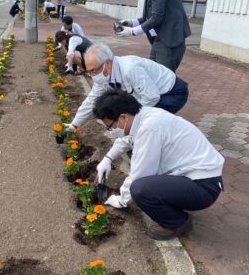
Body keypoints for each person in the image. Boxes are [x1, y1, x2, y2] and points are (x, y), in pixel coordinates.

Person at [93, 90, 224, 240]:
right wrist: (107, 159)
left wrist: (121, 200)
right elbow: (126, 139)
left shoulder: (149, 128)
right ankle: (174, 205)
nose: (111, 131)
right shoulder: (143, 115)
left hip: (204, 187)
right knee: (145, 185)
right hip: (195, 177)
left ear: (123, 117)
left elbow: (140, 174)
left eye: (110, 127)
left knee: (140, 189)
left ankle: (177, 223)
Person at [63, 44, 188, 132]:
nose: (92, 76)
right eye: (89, 72)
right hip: (151, 93)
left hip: (171, 93)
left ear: (107, 63)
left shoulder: (129, 69)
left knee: (149, 123)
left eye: (94, 71)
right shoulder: (102, 76)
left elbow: (152, 98)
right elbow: (91, 101)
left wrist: (129, 122)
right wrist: (74, 125)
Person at [116, 0, 191, 72]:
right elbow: (149, 18)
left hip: (169, 42)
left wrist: (132, 32)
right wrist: (131, 22)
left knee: (164, 81)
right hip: (160, 40)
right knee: (153, 75)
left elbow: (156, 18)